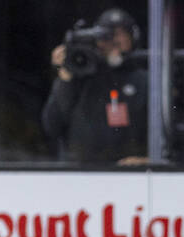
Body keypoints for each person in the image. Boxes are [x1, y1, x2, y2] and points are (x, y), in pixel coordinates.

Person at [42, 7, 150, 165]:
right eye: (106, 36)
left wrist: (147, 160)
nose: (113, 41)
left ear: (133, 38)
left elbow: (169, 138)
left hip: (129, 175)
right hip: (81, 174)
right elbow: (52, 126)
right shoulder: (79, 79)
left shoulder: (145, 81)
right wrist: (65, 77)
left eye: (119, 34)